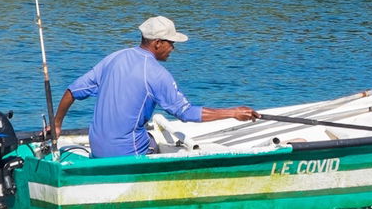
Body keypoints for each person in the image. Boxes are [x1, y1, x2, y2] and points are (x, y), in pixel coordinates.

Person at [49, 16, 258, 158]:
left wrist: (57, 124)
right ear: (157, 43)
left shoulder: (114, 58)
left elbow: (72, 92)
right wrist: (232, 112)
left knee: (148, 135)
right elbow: (185, 112)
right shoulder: (157, 74)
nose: (173, 48)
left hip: (97, 147)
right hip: (125, 153)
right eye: (171, 42)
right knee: (154, 144)